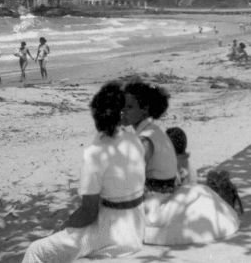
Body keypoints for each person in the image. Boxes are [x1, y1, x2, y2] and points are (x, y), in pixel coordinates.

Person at [22, 81, 146, 263]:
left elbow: (89, 212)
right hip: (135, 227)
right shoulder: (136, 142)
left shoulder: (96, 154)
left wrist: (63, 227)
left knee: (36, 250)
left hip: (111, 233)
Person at [122, 80, 239, 245]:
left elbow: (131, 182)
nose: (123, 111)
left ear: (144, 109)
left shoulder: (145, 141)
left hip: (154, 203)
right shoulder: (154, 131)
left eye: (129, 107)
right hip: (166, 193)